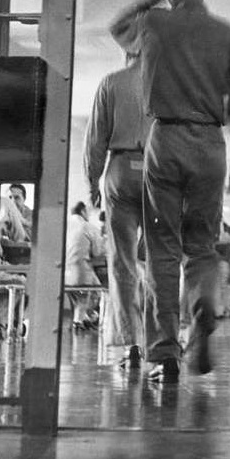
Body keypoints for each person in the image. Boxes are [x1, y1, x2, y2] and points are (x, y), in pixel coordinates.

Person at [109, 0, 230, 384]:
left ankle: (164, 354)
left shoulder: (153, 23)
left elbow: (118, 25)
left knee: (162, 249)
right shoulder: (229, 35)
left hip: (166, 140)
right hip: (210, 145)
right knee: (202, 246)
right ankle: (203, 306)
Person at [83, 52, 152, 369]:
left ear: (128, 52)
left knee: (122, 263)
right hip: (160, 171)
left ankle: (132, 345)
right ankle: (162, 344)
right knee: (160, 261)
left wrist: (92, 182)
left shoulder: (112, 82)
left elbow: (95, 139)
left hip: (121, 169)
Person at [64, 201, 106, 331]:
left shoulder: (64, 225)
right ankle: (81, 321)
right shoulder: (88, 227)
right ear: (83, 212)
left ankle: (82, 319)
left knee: (78, 298)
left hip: (63, 273)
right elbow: (97, 252)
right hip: (80, 273)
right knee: (96, 293)